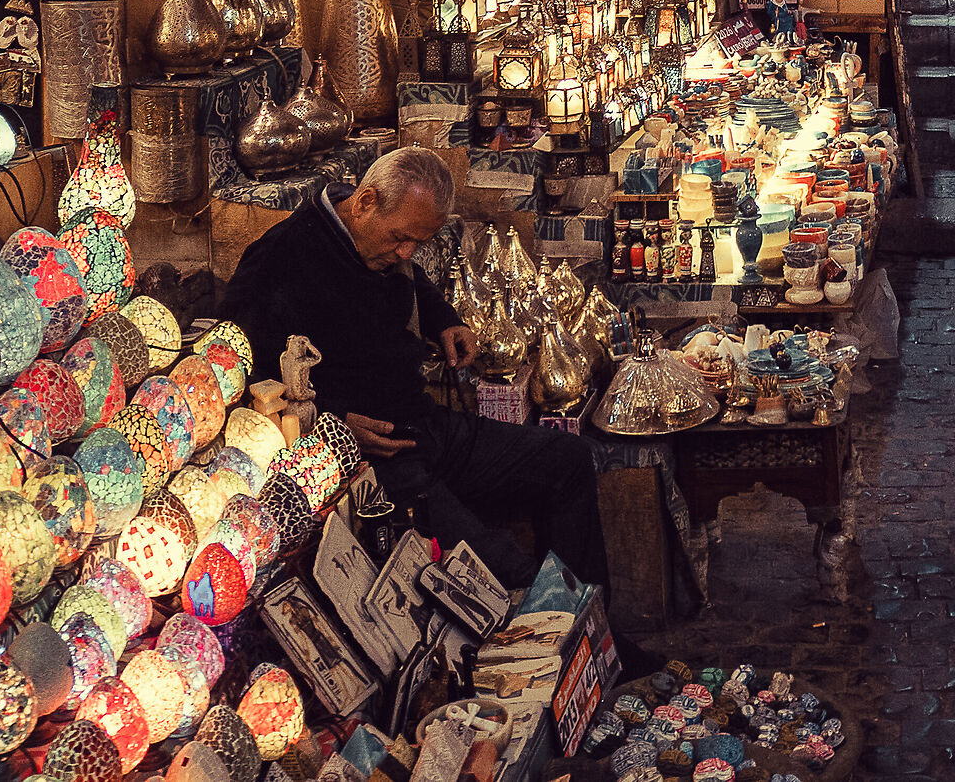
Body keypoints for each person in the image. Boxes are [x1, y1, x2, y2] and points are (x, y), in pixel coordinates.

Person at [221, 150, 654, 663]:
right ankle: (570, 654)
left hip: (424, 425)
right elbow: (239, 367)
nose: (406, 252)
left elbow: (410, 278)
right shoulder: (280, 259)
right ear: (365, 201)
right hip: (372, 460)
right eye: (400, 238)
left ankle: (598, 637)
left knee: (567, 460)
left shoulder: (380, 240)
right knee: (502, 567)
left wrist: (444, 318)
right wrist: (333, 419)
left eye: (417, 243)